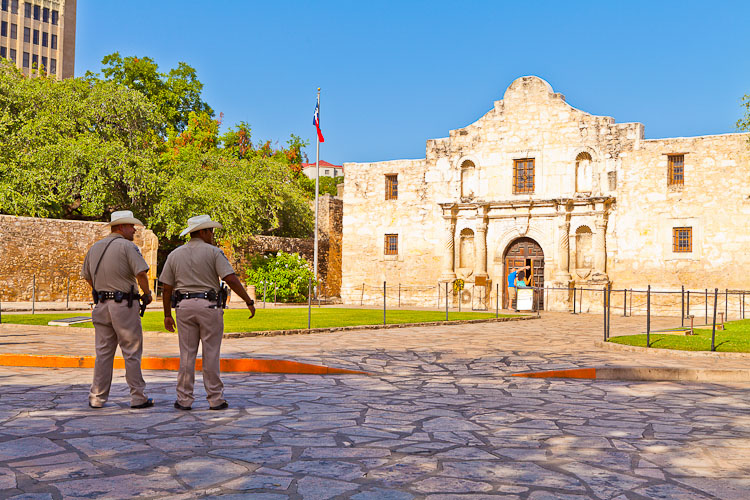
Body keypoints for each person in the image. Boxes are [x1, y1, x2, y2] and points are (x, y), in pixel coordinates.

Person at [159, 215, 256, 411]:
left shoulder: (175, 255)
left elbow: (166, 287)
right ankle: (215, 399)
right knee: (211, 353)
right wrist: (248, 300)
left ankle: (184, 399)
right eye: (210, 231)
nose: (212, 235)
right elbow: (231, 279)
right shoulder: (214, 252)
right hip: (209, 306)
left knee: (187, 354)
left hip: (184, 306)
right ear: (202, 231)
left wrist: (167, 314)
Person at [82, 210, 154, 409]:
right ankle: (138, 396)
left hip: (101, 304)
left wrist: (101, 289)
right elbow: (141, 273)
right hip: (124, 304)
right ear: (121, 227)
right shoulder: (128, 246)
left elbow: (87, 276)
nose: (134, 230)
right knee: (131, 351)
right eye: (131, 226)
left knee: (103, 353)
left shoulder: (95, 248)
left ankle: (97, 397)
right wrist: (147, 294)